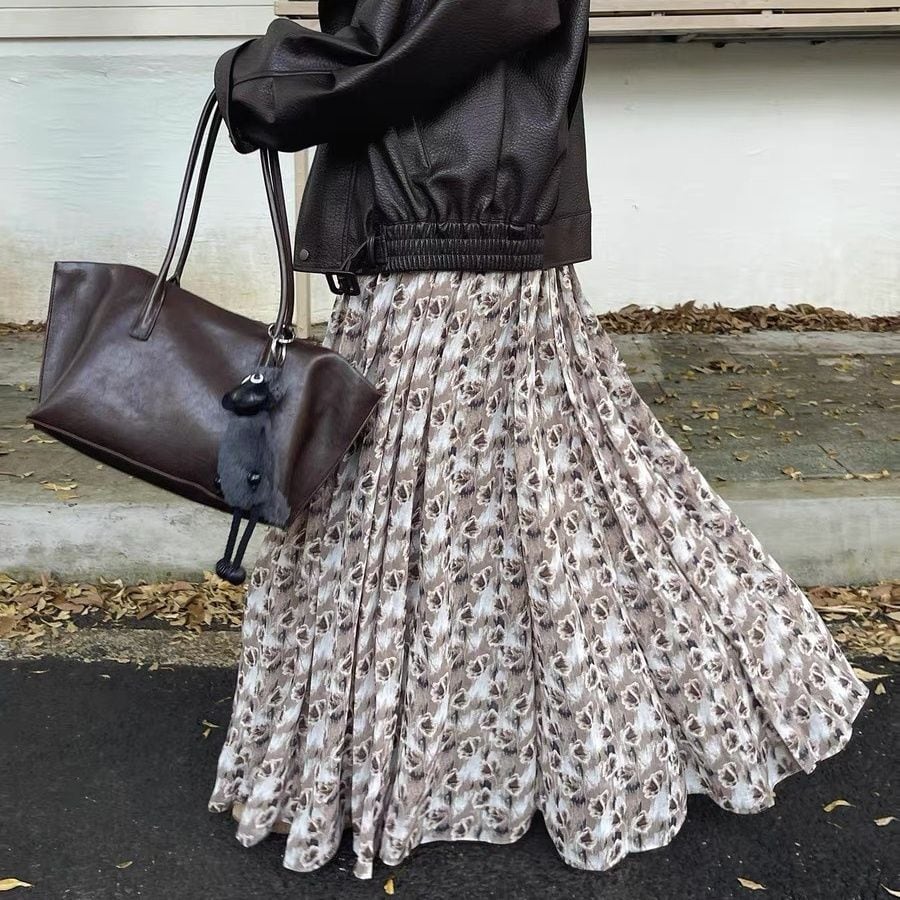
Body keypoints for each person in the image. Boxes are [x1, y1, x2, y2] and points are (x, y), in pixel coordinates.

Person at [207, 0, 867, 880]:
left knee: (448, 502)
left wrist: (268, 80)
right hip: (437, 224)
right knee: (499, 499)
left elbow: (450, 28)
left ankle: (543, 741)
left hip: (455, 233)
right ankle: (482, 753)